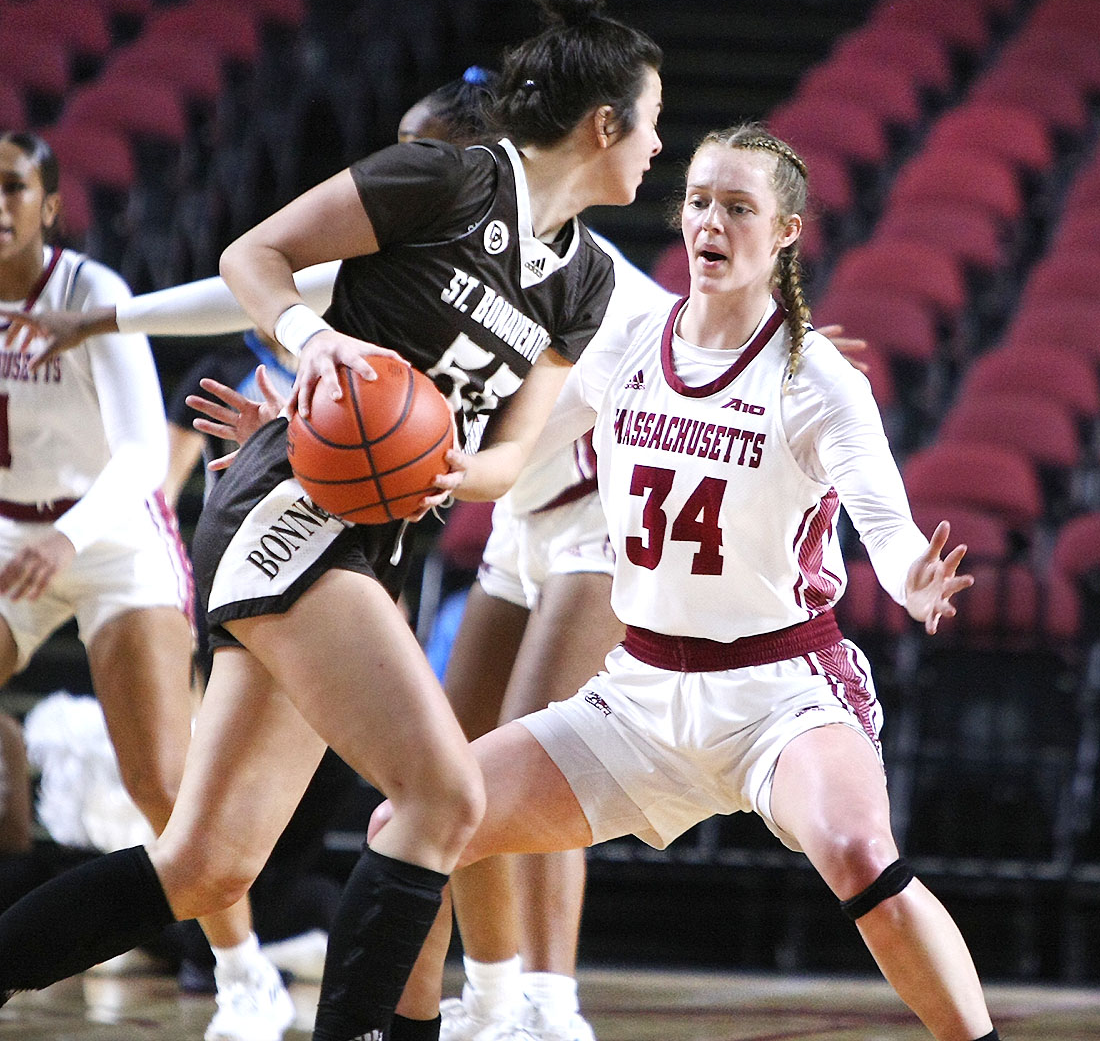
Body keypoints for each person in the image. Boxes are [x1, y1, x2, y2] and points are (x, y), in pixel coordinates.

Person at [0, 0, 665, 1041]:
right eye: (652, 124)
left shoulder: (582, 281)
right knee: (445, 792)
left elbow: (505, 461)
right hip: (291, 509)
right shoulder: (441, 178)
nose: (654, 149)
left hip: (378, 541)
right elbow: (251, 258)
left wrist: (445, 464)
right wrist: (317, 348)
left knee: (206, 860)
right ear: (602, 124)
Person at [369, 122, 1003, 1041]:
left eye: (738, 207)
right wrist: (408, 462)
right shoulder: (629, 338)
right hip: (637, 695)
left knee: (861, 853)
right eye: (700, 200)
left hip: (780, 691)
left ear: (786, 231)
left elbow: (888, 525)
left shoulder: (817, 378)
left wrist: (914, 580)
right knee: (412, 824)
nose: (710, 221)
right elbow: (518, 457)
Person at [0, 131, 295, 1041]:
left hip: (113, 533)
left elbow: (139, 454)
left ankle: (245, 976)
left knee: (162, 781)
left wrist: (68, 536)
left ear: (48, 206)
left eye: (11, 186)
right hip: (14, 530)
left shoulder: (94, 295)